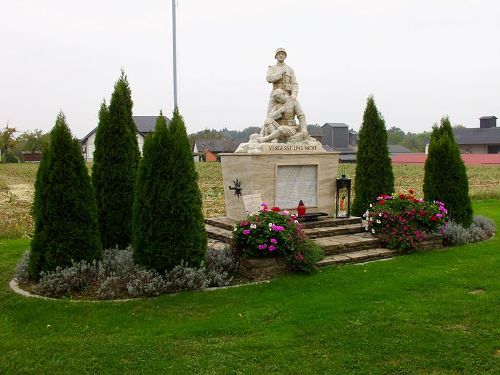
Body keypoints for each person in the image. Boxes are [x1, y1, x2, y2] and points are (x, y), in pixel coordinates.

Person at [266, 48, 298, 113]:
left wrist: (294, 94)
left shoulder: (290, 69)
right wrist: (280, 72)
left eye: (283, 54)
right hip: (275, 94)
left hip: (286, 94)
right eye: (279, 54)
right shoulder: (272, 68)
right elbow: (269, 79)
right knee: (269, 115)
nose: (281, 55)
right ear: (276, 56)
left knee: (288, 113)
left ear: (285, 56)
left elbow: (294, 84)